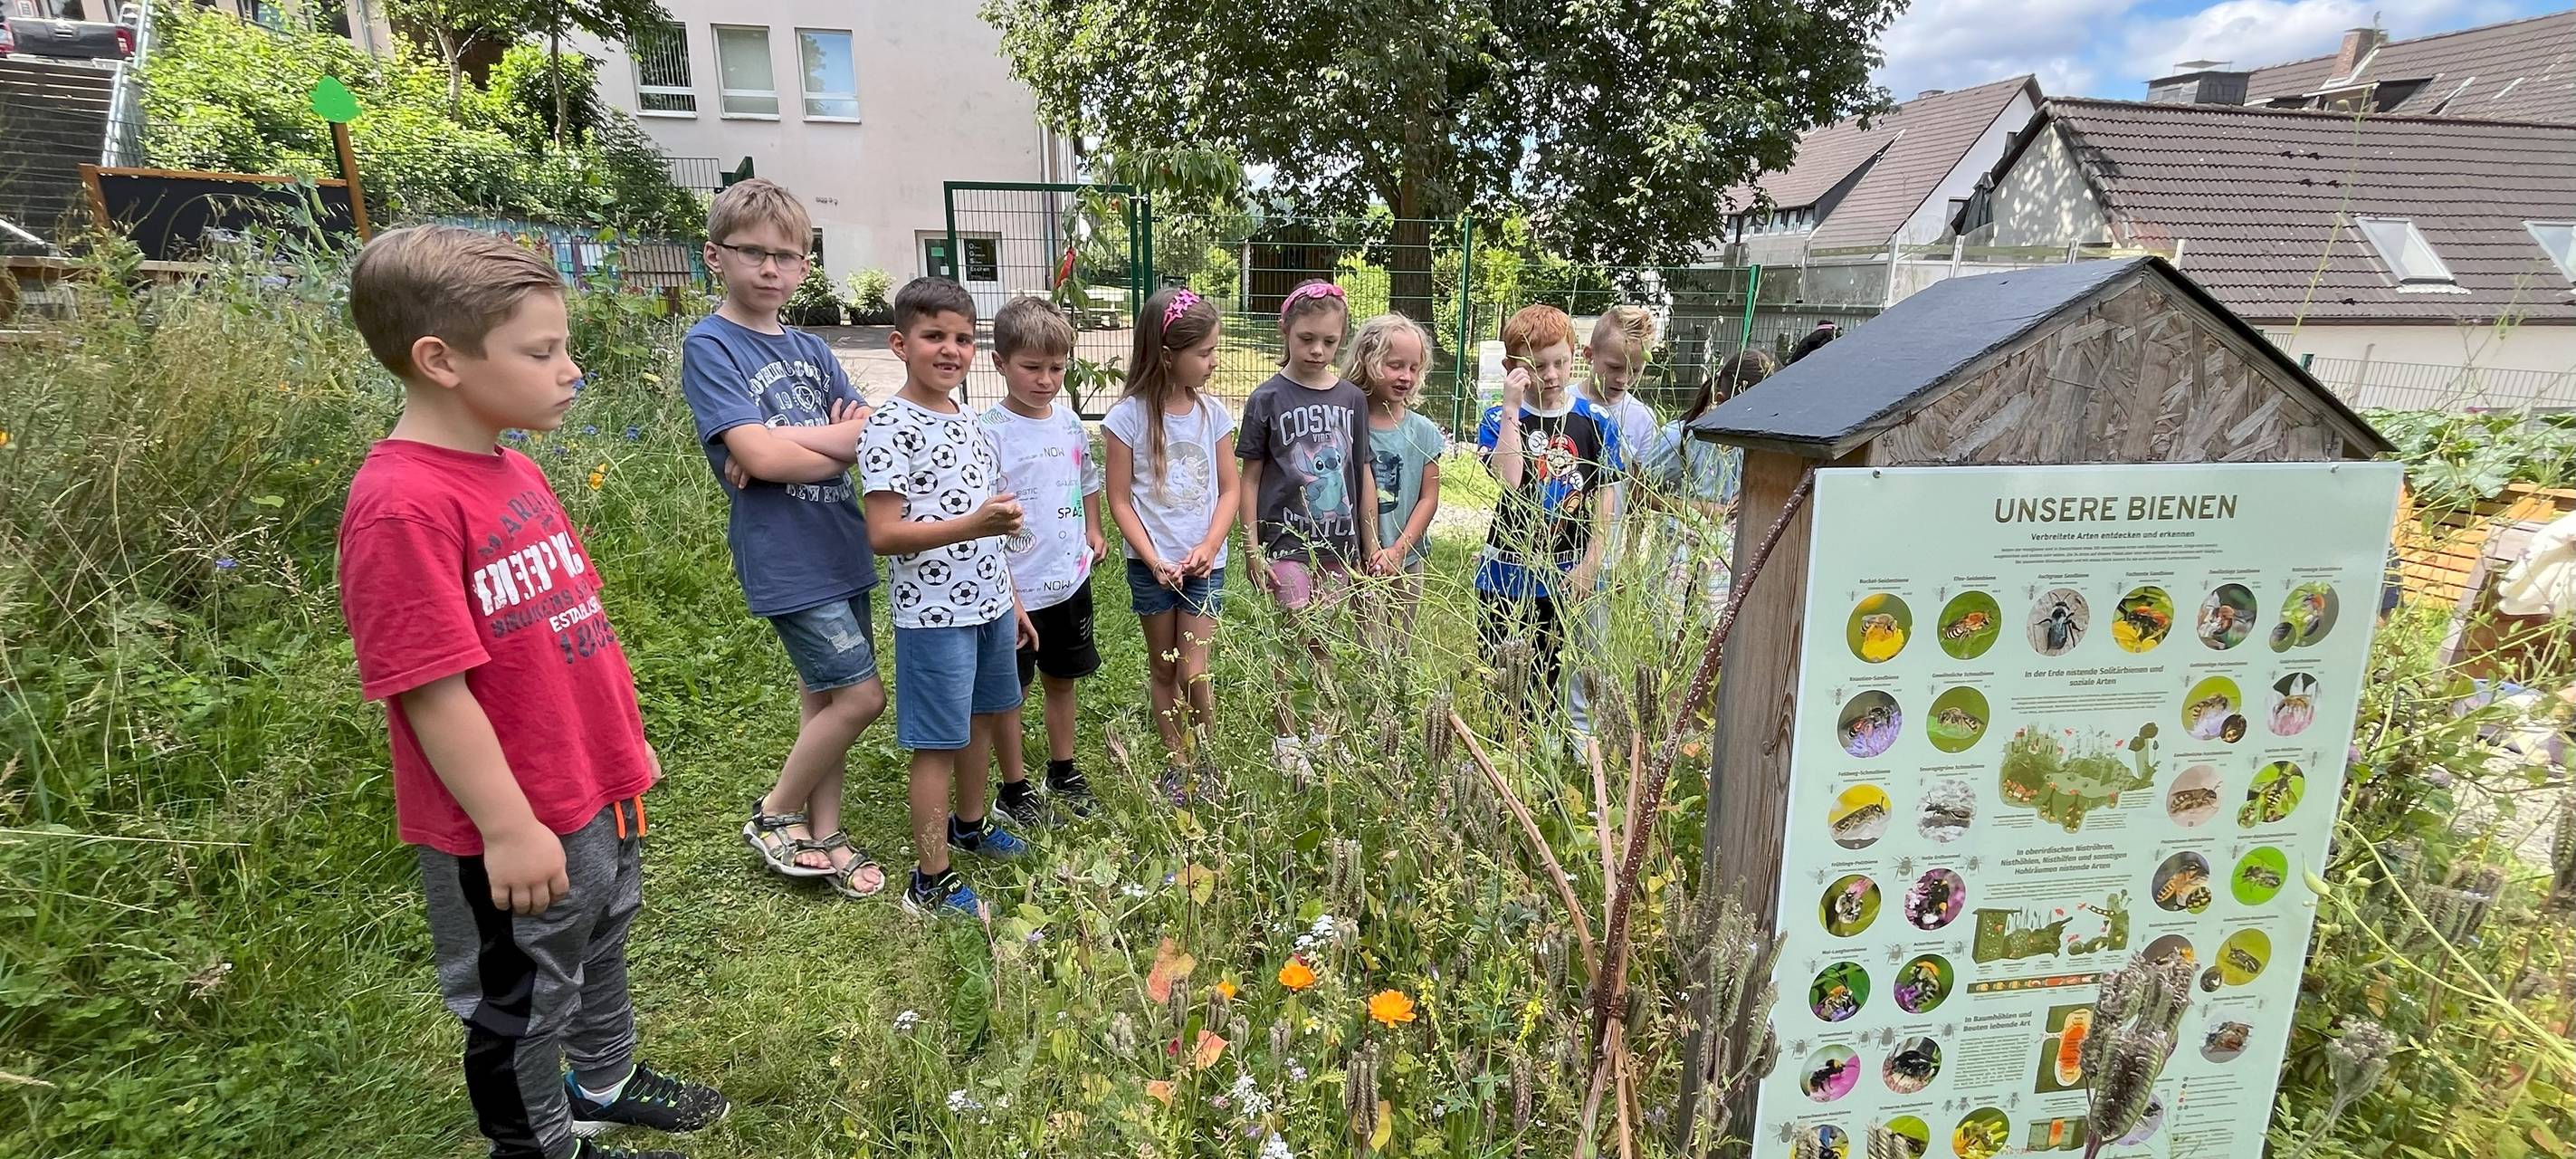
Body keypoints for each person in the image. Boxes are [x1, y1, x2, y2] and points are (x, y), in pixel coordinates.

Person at [339, 225, 726, 1159]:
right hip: (510, 816)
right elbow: (431, 692)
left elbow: (564, 626)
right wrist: (508, 827)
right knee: (521, 993)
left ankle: (606, 1078)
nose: (570, 370)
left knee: (600, 938)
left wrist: (621, 746)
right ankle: (540, 1145)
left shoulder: (508, 466)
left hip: (591, 785)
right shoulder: (400, 506)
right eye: (541, 352)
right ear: (441, 360)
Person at [680, 178, 889, 900]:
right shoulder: (710, 345)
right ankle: (774, 812)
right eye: (753, 253)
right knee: (861, 698)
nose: (771, 269)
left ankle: (824, 832)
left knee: (825, 699)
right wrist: (812, 445)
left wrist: (780, 442)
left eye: (787, 256)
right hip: (787, 556)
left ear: (804, 264)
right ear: (716, 255)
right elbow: (765, 460)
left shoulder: (810, 347)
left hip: (839, 541)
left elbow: (865, 437)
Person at [857, 276, 1036, 919]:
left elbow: (992, 525)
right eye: (934, 335)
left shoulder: (970, 422)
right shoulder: (889, 426)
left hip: (990, 605)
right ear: (900, 344)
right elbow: (883, 534)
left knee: (982, 719)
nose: (950, 350)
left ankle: (970, 825)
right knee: (937, 742)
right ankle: (929, 880)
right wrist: (973, 525)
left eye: (963, 338)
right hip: (934, 615)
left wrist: (1012, 599)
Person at [1102, 286, 1239, 800]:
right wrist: (1154, 559)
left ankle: (1208, 761)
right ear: (1166, 355)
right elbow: (1119, 501)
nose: (1213, 361)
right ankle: (1176, 764)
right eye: (1204, 352)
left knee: (1193, 668)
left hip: (1204, 566)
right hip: (1151, 569)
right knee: (1163, 667)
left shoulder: (1214, 415)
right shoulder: (1127, 419)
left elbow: (1230, 490)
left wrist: (1210, 546)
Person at [1236, 280, 1377, 777]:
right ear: (1286, 331)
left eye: (1329, 341)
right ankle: (1286, 737)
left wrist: (1369, 544)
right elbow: (1250, 478)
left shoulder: (1352, 399)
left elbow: (1362, 472)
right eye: (1307, 339)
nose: (1317, 350)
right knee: (1294, 632)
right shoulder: (1267, 398)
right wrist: (1251, 548)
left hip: (1338, 547)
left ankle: (1322, 733)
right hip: (1286, 543)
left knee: (1324, 639)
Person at [976, 297, 1105, 823]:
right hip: (1016, 595)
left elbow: (1087, 479)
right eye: (1032, 367)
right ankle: (1014, 788)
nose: (1046, 380)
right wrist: (1009, 597)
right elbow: (983, 522)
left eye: (1057, 367)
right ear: (1000, 363)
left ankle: (1062, 769)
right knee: (1012, 692)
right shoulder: (988, 432)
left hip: (1068, 582)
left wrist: (1094, 528)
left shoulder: (1070, 424)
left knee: (1061, 679)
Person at [1475, 303, 1621, 724]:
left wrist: (1591, 563)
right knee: (1503, 680)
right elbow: (1510, 478)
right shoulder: (1498, 419)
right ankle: (1502, 747)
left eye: (1561, 362)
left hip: (1565, 570)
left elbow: (1606, 499)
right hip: (1506, 572)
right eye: (1538, 367)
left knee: (1548, 677)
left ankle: (1546, 746)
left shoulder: (1594, 421)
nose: (1553, 375)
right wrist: (1511, 408)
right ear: (1513, 368)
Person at [1567, 304, 1660, 734]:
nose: (1623, 378)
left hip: (1604, 553)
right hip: (1553, 544)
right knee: (1545, 645)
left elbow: (1639, 495)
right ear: (1589, 356)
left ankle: (1582, 733)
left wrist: (1630, 558)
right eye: (1615, 367)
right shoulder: (1565, 404)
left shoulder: (1640, 419)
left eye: (1635, 370)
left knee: (1592, 650)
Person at [1639, 349, 1772, 631]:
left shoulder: (1757, 447)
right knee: (1673, 636)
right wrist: (1699, 509)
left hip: (1727, 563)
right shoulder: (1682, 438)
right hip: (1678, 558)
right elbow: (1640, 492)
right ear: (1721, 401)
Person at [1350, 312, 1443, 637]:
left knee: (1402, 646)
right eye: (1395, 365)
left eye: (1414, 368)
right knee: (1368, 646)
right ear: (1367, 361)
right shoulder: (1349, 425)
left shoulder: (1424, 432)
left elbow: (1429, 498)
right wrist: (1373, 551)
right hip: (1361, 560)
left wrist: (1398, 551)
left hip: (1408, 557)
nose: (1406, 376)